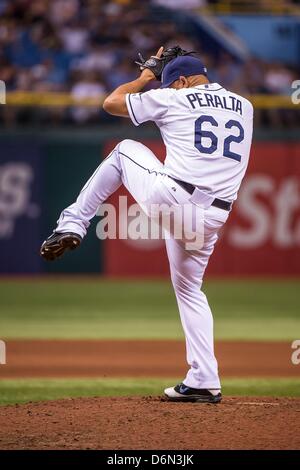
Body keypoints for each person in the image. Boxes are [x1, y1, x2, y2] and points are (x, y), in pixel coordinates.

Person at [40, 47, 253, 403]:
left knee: (124, 150)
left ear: (182, 81)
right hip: (214, 216)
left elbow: (111, 103)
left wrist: (146, 78)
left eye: (174, 82)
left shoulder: (174, 97)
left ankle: (73, 223)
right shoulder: (245, 106)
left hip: (175, 198)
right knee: (190, 291)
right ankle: (204, 378)